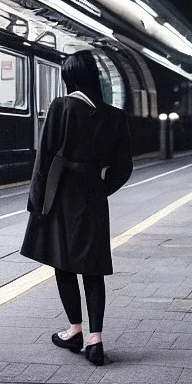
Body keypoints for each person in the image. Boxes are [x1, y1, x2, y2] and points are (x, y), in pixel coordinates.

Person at [20, 50, 133, 366]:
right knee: (93, 269)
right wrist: (99, 189)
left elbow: (44, 160)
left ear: (69, 79)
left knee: (64, 263)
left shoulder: (62, 106)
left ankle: (75, 331)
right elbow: (124, 167)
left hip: (61, 196)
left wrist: (37, 203)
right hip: (93, 200)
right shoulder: (114, 116)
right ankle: (96, 341)